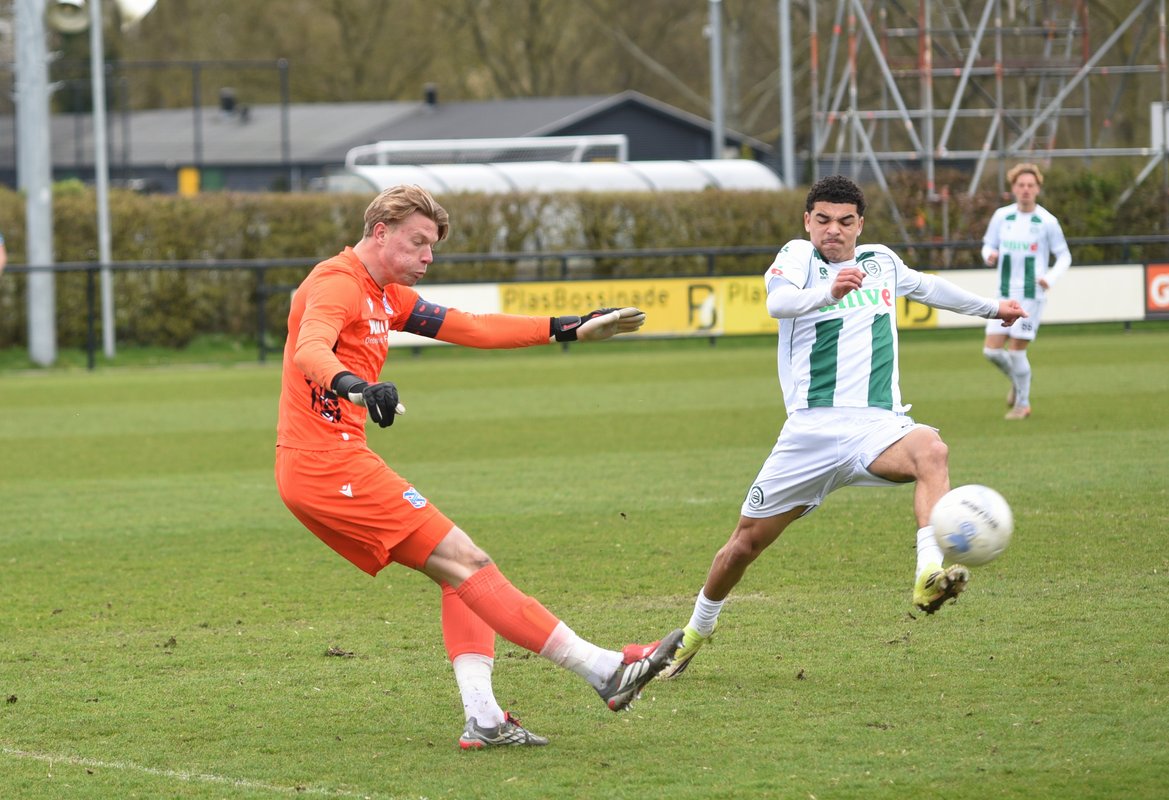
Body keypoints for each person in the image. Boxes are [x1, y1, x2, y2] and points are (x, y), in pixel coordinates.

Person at [275, 184, 682, 749]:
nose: (428, 256)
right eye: (418, 242)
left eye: (432, 246)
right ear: (380, 232)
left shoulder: (386, 295)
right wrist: (357, 386)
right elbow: (310, 349)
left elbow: (471, 326)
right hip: (325, 465)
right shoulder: (337, 283)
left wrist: (567, 327)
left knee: (461, 576)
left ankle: (485, 720)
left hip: (331, 463)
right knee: (470, 563)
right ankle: (605, 670)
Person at [660, 175, 1027, 680]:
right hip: (809, 433)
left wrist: (993, 308)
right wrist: (826, 292)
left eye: (845, 221)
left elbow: (928, 287)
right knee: (743, 546)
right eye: (823, 220)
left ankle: (927, 573)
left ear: (861, 225)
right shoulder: (797, 257)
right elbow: (778, 304)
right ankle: (695, 633)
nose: (833, 229)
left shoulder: (881, 262)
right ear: (807, 221)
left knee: (931, 449)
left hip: (878, 426)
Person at [980, 163, 1071, 420]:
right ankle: (1019, 381)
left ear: (1038, 189)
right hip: (1004, 293)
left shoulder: (1047, 221)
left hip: (1031, 295)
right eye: (1021, 185)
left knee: (1016, 351)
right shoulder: (1002, 217)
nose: (1026, 189)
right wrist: (989, 255)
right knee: (991, 351)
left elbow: (1064, 255)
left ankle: (1023, 404)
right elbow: (987, 244)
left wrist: (1050, 278)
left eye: (1031, 185)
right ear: (1013, 188)